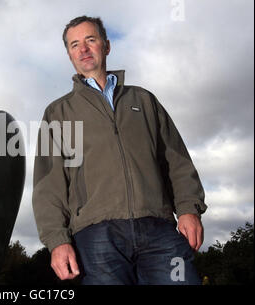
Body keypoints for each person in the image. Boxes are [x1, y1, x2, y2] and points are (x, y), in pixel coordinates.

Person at [32, 15, 207, 285]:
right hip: (97, 239)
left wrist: (188, 209)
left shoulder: (144, 100)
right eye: (75, 44)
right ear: (69, 55)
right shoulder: (58, 113)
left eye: (91, 40)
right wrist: (57, 242)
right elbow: (48, 186)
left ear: (106, 45)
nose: (83, 49)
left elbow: (176, 161)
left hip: (160, 233)